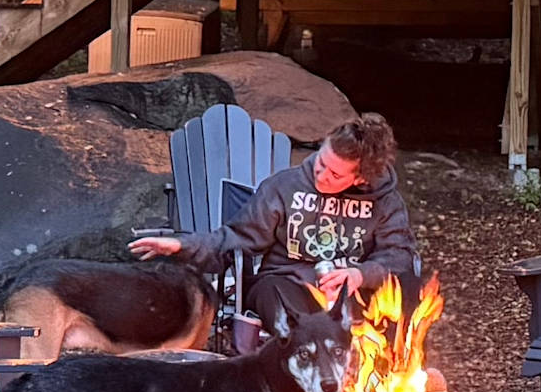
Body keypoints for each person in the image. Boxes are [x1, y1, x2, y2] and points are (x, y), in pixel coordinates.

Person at [132, 114, 421, 334]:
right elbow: (237, 238)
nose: (321, 176)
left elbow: (399, 256)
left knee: (401, 289)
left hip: (352, 292)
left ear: (360, 178)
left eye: (334, 174)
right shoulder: (284, 187)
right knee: (273, 295)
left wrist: (359, 274)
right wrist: (182, 244)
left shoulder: (385, 202)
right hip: (288, 285)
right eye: (320, 162)